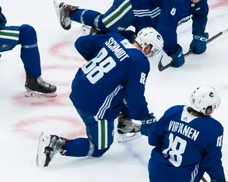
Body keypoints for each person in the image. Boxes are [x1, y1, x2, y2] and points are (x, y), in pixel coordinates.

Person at [36, 28, 162, 167]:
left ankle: (123, 122)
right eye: (152, 50)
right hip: (93, 103)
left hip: (79, 83)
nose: (150, 54)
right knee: (98, 148)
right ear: (147, 46)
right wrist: (144, 118)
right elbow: (135, 97)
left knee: (120, 88)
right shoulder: (139, 61)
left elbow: (81, 43)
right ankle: (56, 144)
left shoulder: (115, 38)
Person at [55, 0, 211, 70]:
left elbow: (201, 13)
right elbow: (167, 28)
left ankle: (101, 33)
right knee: (105, 23)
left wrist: (198, 35)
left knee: (141, 40)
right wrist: (173, 50)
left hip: (150, 10)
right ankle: (69, 11)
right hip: (133, 0)